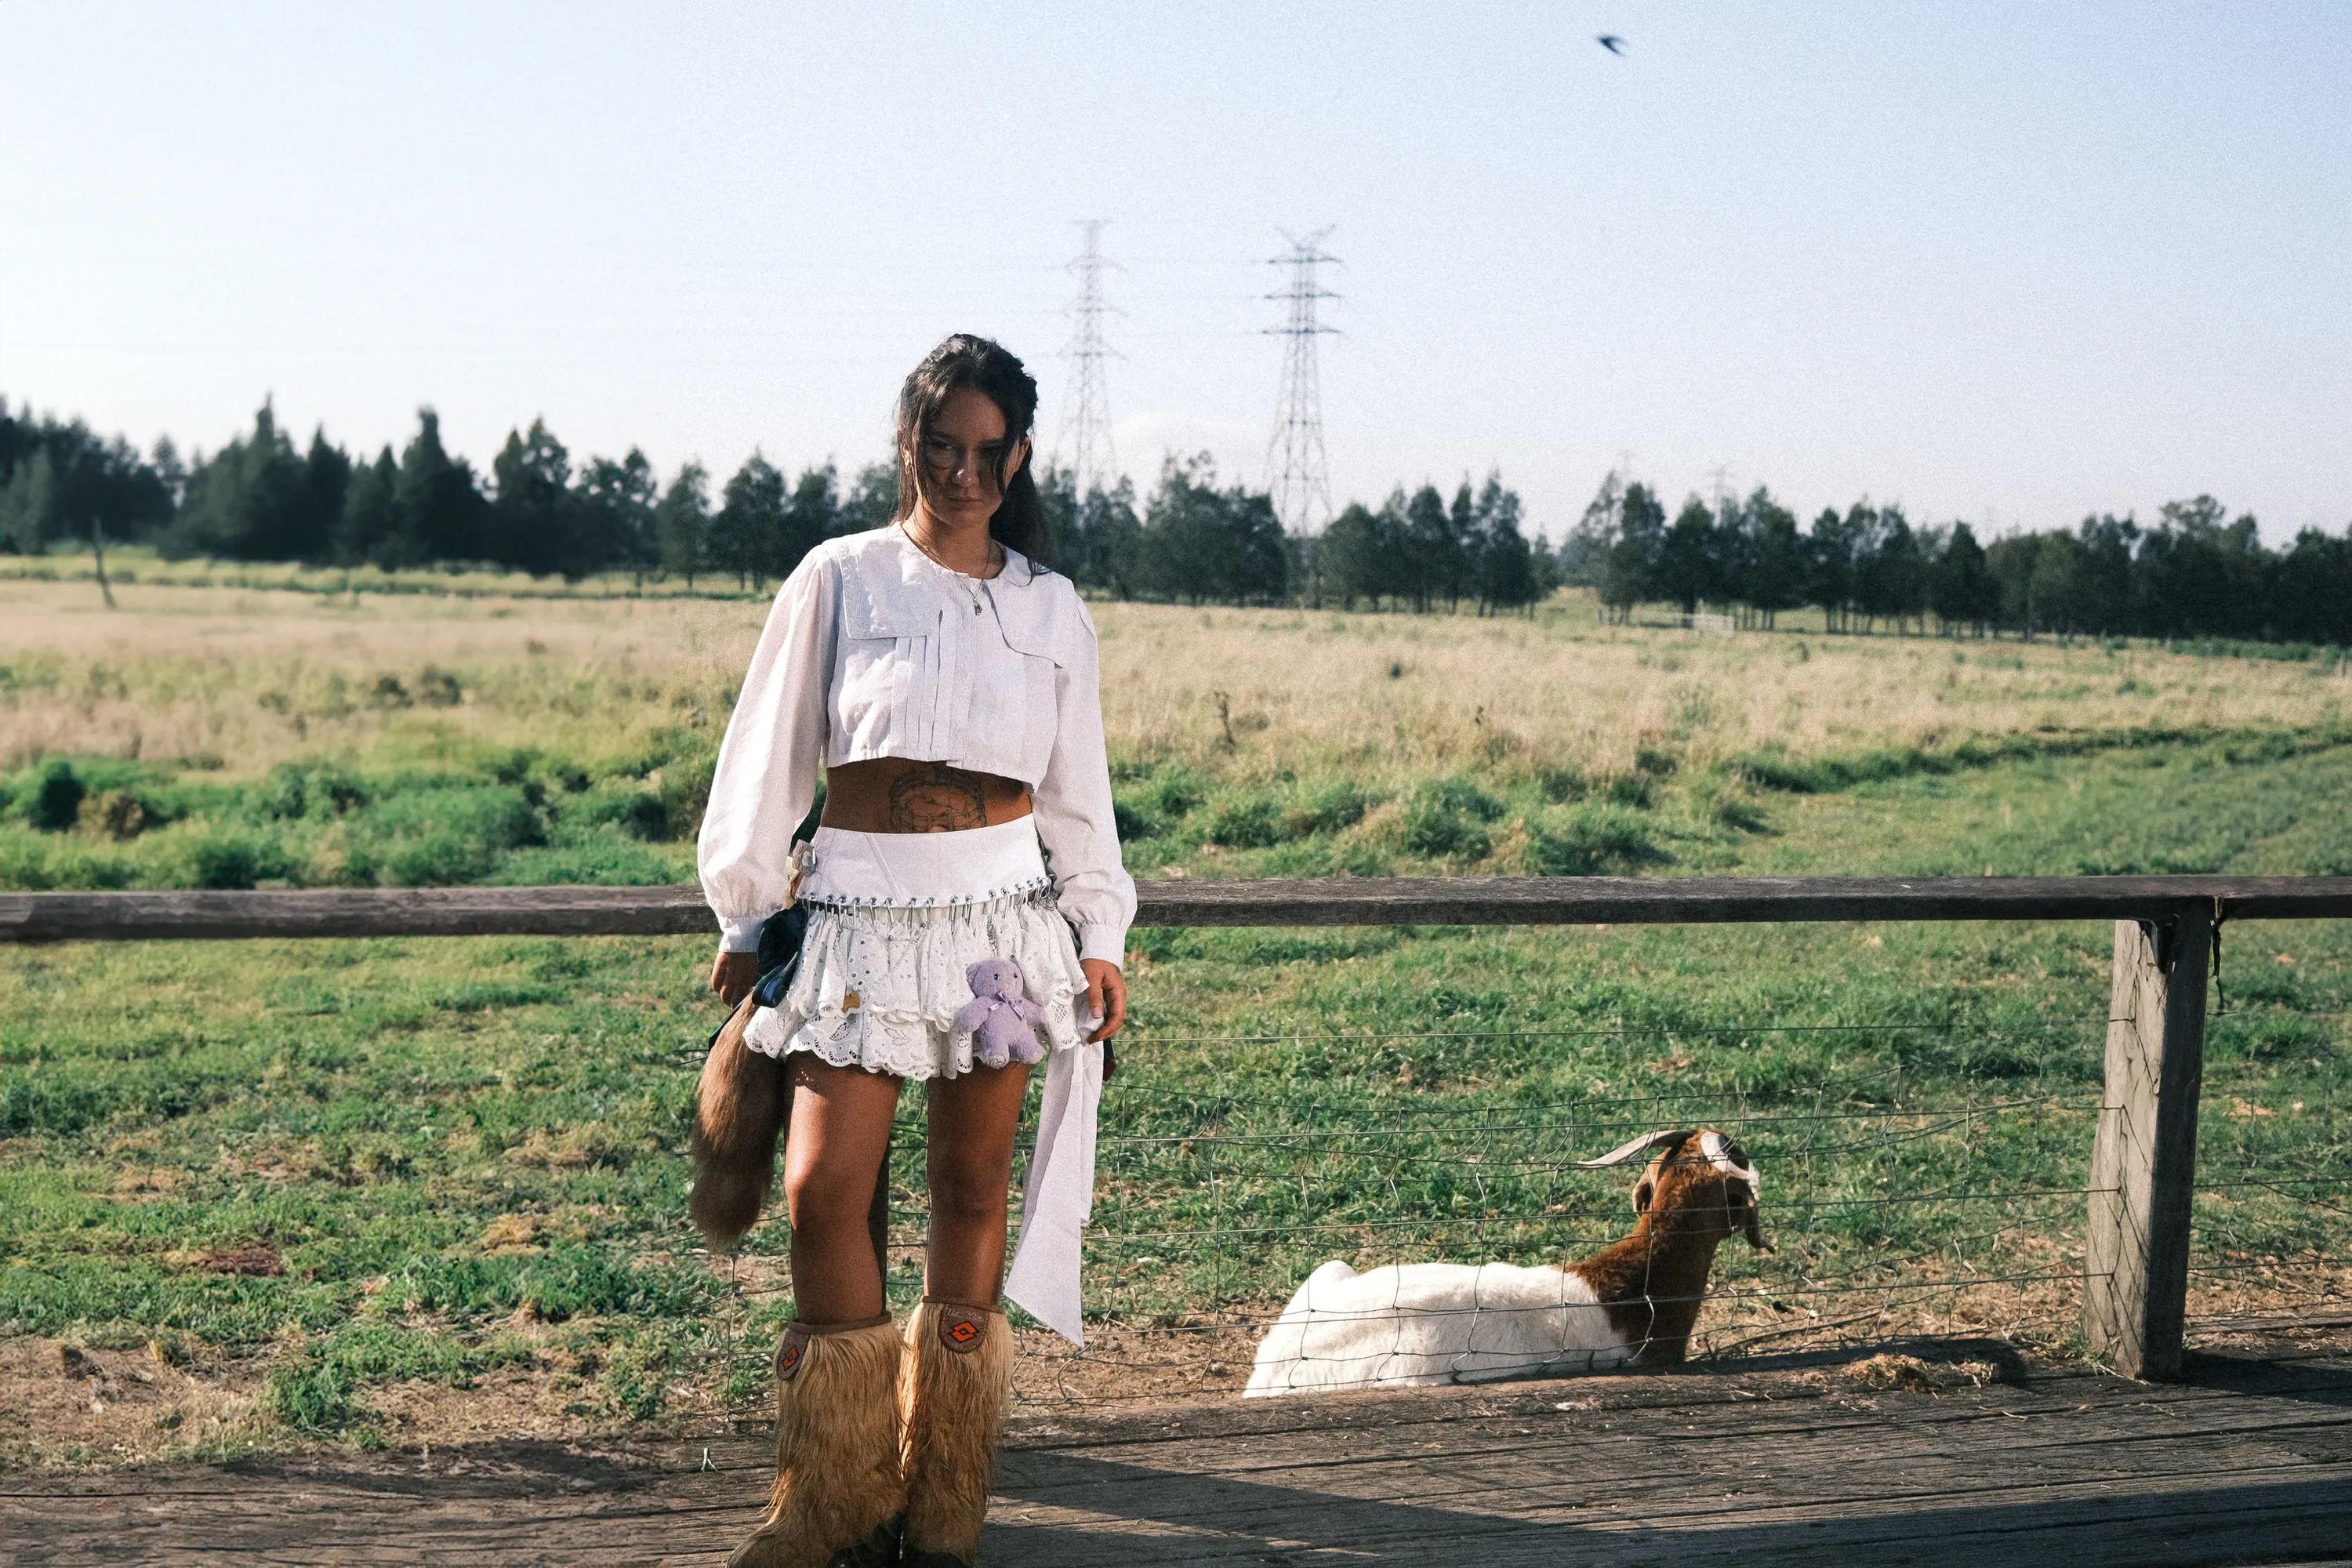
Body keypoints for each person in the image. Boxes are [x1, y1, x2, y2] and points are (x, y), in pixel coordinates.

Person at [697, 333, 1132, 1568]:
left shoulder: (1052, 609)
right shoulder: (839, 578)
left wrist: (1098, 933)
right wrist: (744, 912)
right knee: (820, 1188)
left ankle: (944, 1495)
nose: (962, 472)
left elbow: (1077, 792)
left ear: (1020, 457)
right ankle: (830, 1493)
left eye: (988, 452)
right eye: (942, 447)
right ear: (910, 445)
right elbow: (768, 752)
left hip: (1002, 926)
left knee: (968, 1193)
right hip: (857, 919)